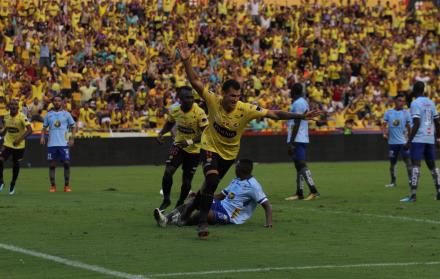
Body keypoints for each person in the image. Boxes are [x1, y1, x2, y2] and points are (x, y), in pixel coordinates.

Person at [178, 40, 321, 239]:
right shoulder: (213, 100)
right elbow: (195, 81)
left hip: (229, 154)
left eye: (237, 96)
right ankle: (201, 223)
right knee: (211, 178)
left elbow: (274, 114)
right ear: (223, 94)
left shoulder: (245, 109)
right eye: (231, 96)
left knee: (208, 186)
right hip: (209, 145)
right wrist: (186, 61)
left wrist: (301, 116)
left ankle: (186, 212)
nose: (234, 99)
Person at [154, 159, 272, 228]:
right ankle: (166, 219)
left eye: (236, 167)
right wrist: (201, 196)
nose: (234, 168)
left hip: (231, 217)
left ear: (241, 169)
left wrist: (269, 224)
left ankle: (181, 221)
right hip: (221, 205)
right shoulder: (236, 180)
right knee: (196, 201)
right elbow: (220, 196)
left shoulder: (253, 186)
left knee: (202, 214)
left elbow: (266, 205)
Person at [156, 86, 208, 210]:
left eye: (192, 97)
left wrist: (190, 141)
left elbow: (206, 133)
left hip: (194, 150)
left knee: (186, 181)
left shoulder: (199, 112)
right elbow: (169, 123)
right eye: (187, 97)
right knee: (168, 171)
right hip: (178, 145)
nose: (191, 100)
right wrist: (161, 133)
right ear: (180, 99)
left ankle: (180, 202)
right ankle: (166, 200)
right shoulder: (174, 110)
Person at [400, 82, 440, 202]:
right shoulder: (431, 102)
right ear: (423, 90)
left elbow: (416, 123)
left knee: (416, 166)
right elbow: (437, 122)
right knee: (432, 166)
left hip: (418, 138)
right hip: (430, 138)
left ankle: (413, 195)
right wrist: (438, 138)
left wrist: (409, 141)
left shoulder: (415, 103)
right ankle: (439, 192)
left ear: (414, 89)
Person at [285, 83, 320, 201]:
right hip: (299, 137)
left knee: (301, 164)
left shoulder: (299, 103)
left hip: (298, 138)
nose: (289, 92)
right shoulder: (302, 102)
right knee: (298, 167)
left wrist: (291, 142)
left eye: (290, 90)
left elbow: (297, 122)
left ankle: (314, 191)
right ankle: (299, 193)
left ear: (293, 91)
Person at [40, 96, 76, 193]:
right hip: (52, 143)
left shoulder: (66, 114)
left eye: (59, 101)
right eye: (55, 101)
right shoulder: (48, 115)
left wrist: (72, 138)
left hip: (64, 143)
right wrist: (42, 137)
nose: (57, 102)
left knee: (67, 163)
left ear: (62, 102)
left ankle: (67, 186)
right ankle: (53, 186)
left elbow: (73, 126)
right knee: (52, 165)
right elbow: (44, 128)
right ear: (53, 102)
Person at [0, 99, 33, 195]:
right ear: (9, 106)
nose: (13, 106)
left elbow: (30, 130)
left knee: (15, 165)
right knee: (0, 159)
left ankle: (13, 183)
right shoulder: (6, 116)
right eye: (11, 104)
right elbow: (5, 129)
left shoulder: (22, 117)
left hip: (19, 145)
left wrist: (19, 139)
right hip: (8, 143)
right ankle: (1, 181)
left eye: (15, 104)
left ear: (18, 107)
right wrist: (2, 132)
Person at [382, 94, 412, 188]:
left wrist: (409, 140)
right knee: (392, 163)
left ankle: (411, 181)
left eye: (403, 101)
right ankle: (393, 182)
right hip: (392, 143)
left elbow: (409, 127)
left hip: (403, 142)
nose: (401, 103)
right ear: (395, 101)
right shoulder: (388, 112)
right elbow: (384, 124)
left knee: (408, 162)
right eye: (399, 100)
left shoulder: (406, 113)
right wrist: (384, 134)